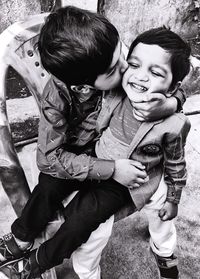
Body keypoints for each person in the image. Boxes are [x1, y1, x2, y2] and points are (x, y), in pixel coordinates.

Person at [0, 6, 186, 279]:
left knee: (83, 217)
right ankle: (22, 237)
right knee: (47, 187)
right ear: (82, 86)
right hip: (77, 155)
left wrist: (172, 102)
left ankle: (39, 261)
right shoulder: (58, 97)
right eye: (117, 67)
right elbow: (49, 159)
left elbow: (172, 73)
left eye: (123, 56)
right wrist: (110, 168)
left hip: (121, 159)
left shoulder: (113, 61)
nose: (126, 68)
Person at [93, 26, 191, 279]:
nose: (140, 77)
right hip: (102, 175)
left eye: (155, 72)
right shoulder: (113, 91)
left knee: (163, 215)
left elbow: (175, 163)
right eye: (134, 65)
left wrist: (173, 199)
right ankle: (86, 273)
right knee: (92, 232)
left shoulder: (172, 124)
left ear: (172, 86)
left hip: (148, 177)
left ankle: (164, 252)